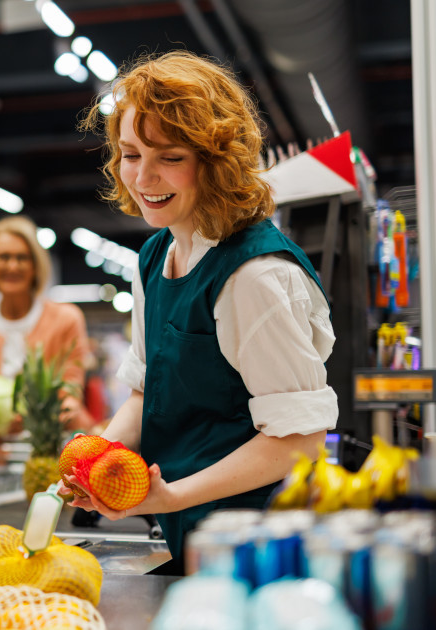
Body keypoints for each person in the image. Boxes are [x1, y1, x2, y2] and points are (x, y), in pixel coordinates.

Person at [61, 50, 338, 574]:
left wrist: (171, 496)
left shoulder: (254, 276)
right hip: (193, 536)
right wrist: (94, 459)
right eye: (131, 154)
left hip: (262, 546)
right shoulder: (154, 257)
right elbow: (147, 391)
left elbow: (298, 441)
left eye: (170, 157)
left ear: (216, 162)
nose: (144, 177)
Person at [0, 215, 95, 446]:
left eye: (22, 257)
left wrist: (42, 417)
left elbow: (71, 392)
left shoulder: (67, 319)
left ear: (35, 264)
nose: (13, 266)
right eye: (3, 257)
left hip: (59, 445)